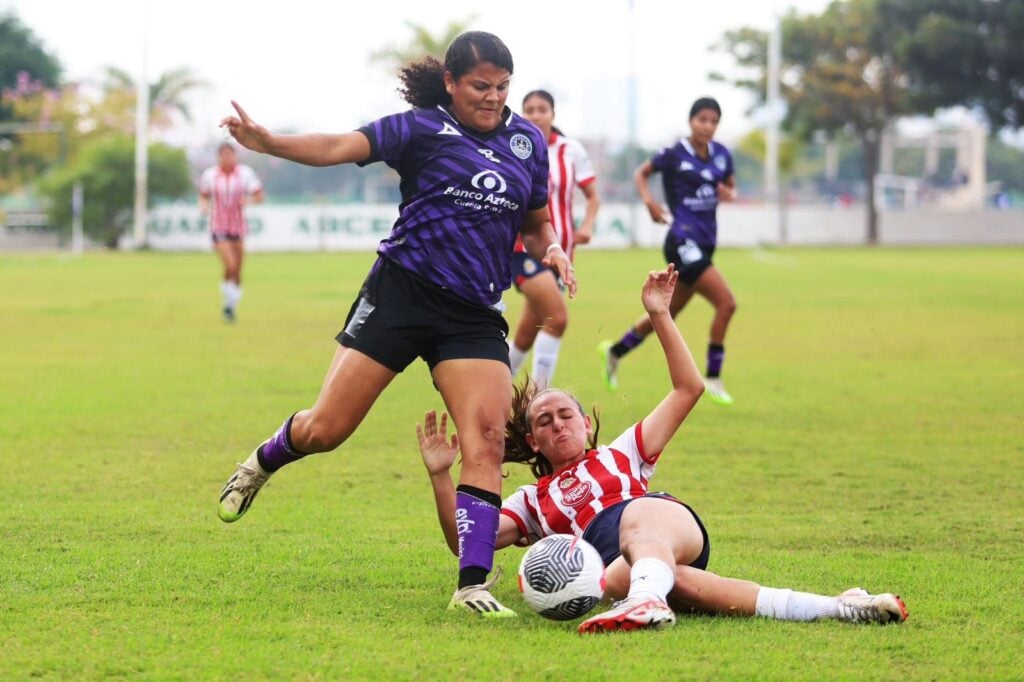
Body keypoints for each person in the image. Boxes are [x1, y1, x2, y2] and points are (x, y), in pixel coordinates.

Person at [215, 31, 576, 618]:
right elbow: (337, 145)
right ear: (452, 85)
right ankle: (264, 459)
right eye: (480, 87)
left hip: (473, 313)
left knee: (484, 440)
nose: (492, 98)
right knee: (327, 429)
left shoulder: (525, 141)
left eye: (502, 87)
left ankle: (472, 585)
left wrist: (553, 248)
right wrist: (268, 143)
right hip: (401, 294)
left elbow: (535, 222)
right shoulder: (420, 128)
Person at [418, 264, 908, 634]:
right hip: (617, 571)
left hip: (664, 525)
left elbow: (687, 389)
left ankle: (646, 598)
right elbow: (468, 543)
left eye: (566, 413)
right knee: (695, 589)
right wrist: (443, 476)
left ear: (586, 423)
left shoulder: (622, 452)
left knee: (637, 522)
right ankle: (840, 606)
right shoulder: (531, 503)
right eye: (544, 421)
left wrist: (659, 315)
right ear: (533, 441)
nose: (558, 423)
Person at [599, 97, 738, 405]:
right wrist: (649, 201)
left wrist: (729, 191)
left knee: (667, 312)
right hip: (681, 239)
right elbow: (641, 173)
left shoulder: (721, 155)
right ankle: (713, 376)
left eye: (713, 121)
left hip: (704, 243)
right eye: (702, 119)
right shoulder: (674, 154)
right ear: (691, 121)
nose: (707, 125)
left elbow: (729, 182)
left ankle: (615, 351)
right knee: (727, 303)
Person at [507, 90, 600, 388]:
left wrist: (586, 225)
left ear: (553, 114)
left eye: (542, 109)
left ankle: (492, 389)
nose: (536, 115)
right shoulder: (512, 146)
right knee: (556, 318)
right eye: (529, 109)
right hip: (522, 248)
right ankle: (538, 397)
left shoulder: (570, 150)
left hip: (561, 250)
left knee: (526, 333)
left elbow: (593, 196)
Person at [198, 142, 264, 323]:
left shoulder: (245, 174)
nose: (227, 158)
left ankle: (231, 304)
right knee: (230, 265)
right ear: (219, 157)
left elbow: (259, 196)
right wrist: (203, 207)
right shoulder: (210, 175)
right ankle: (228, 304)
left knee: (238, 270)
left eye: (230, 154)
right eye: (223, 155)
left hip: (238, 226)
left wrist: (248, 201)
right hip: (218, 225)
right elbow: (203, 196)